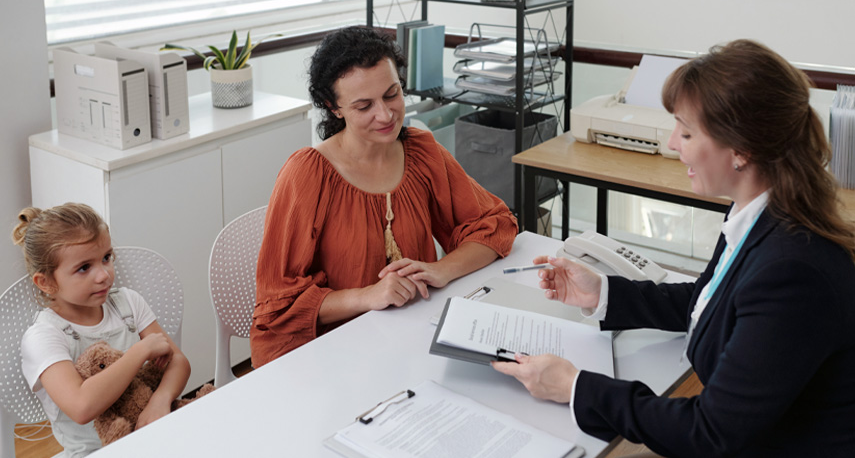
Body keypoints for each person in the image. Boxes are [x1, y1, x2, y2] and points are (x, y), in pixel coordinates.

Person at [493, 39, 855, 457]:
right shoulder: (757, 214)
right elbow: (713, 300)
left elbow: (710, 434)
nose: (670, 143)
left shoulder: (793, 271)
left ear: (741, 150)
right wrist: (604, 292)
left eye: (685, 131)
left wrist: (575, 386)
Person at [252, 26, 517, 367]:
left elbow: (495, 226)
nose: (386, 114)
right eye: (364, 106)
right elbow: (278, 305)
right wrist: (367, 296)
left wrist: (441, 269)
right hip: (338, 355)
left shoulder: (422, 152)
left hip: (412, 339)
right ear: (334, 108)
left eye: (391, 94)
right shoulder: (308, 175)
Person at [14, 203, 190, 458]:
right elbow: (81, 407)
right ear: (47, 282)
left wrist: (160, 400)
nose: (104, 275)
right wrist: (140, 351)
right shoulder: (43, 336)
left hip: (151, 436)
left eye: (107, 258)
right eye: (84, 267)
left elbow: (179, 362)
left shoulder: (128, 302)